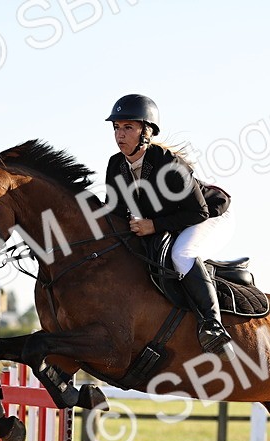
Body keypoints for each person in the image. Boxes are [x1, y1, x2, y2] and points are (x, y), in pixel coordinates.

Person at [103, 93, 236, 359]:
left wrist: (153, 225)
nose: (120, 134)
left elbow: (199, 211)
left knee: (182, 254)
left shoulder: (168, 163)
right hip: (173, 221)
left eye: (128, 127)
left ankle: (213, 327)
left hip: (211, 216)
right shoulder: (116, 165)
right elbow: (114, 213)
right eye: (117, 127)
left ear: (146, 132)